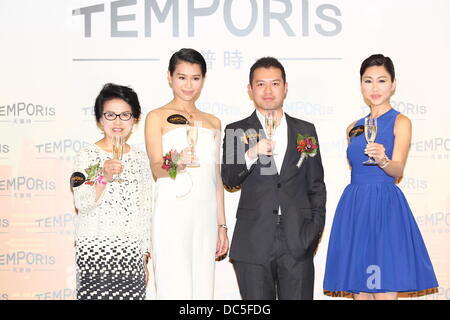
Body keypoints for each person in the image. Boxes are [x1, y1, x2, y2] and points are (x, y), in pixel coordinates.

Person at [323, 54, 439, 300]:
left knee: (386, 290)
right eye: (368, 81)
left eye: (382, 80)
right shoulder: (353, 127)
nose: (374, 88)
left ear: (393, 84)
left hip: (385, 208)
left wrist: (383, 160)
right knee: (360, 291)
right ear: (361, 84)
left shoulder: (401, 122)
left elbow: (397, 170)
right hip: (355, 207)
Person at [221, 57, 326, 300]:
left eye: (275, 83)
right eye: (260, 84)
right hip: (253, 241)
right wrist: (251, 153)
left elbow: (316, 185)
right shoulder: (238, 130)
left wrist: (312, 231)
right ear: (250, 89)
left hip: (297, 240)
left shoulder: (304, 130)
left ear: (285, 87)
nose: (268, 91)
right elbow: (229, 178)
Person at [144, 48, 229, 299]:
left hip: (205, 213)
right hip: (172, 210)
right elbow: (156, 168)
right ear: (170, 77)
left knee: (202, 287)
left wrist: (221, 225)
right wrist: (176, 163)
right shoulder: (156, 117)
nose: (189, 85)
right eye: (182, 77)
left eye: (195, 78)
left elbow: (217, 178)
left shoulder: (213, 122)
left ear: (203, 79)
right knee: (174, 285)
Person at [71, 83, 152, 300]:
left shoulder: (140, 158)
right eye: (110, 115)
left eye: (125, 114)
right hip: (94, 252)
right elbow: (82, 202)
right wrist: (103, 178)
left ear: (135, 118)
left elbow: (145, 210)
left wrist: (143, 257)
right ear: (100, 119)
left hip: (130, 256)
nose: (118, 121)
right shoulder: (86, 155)